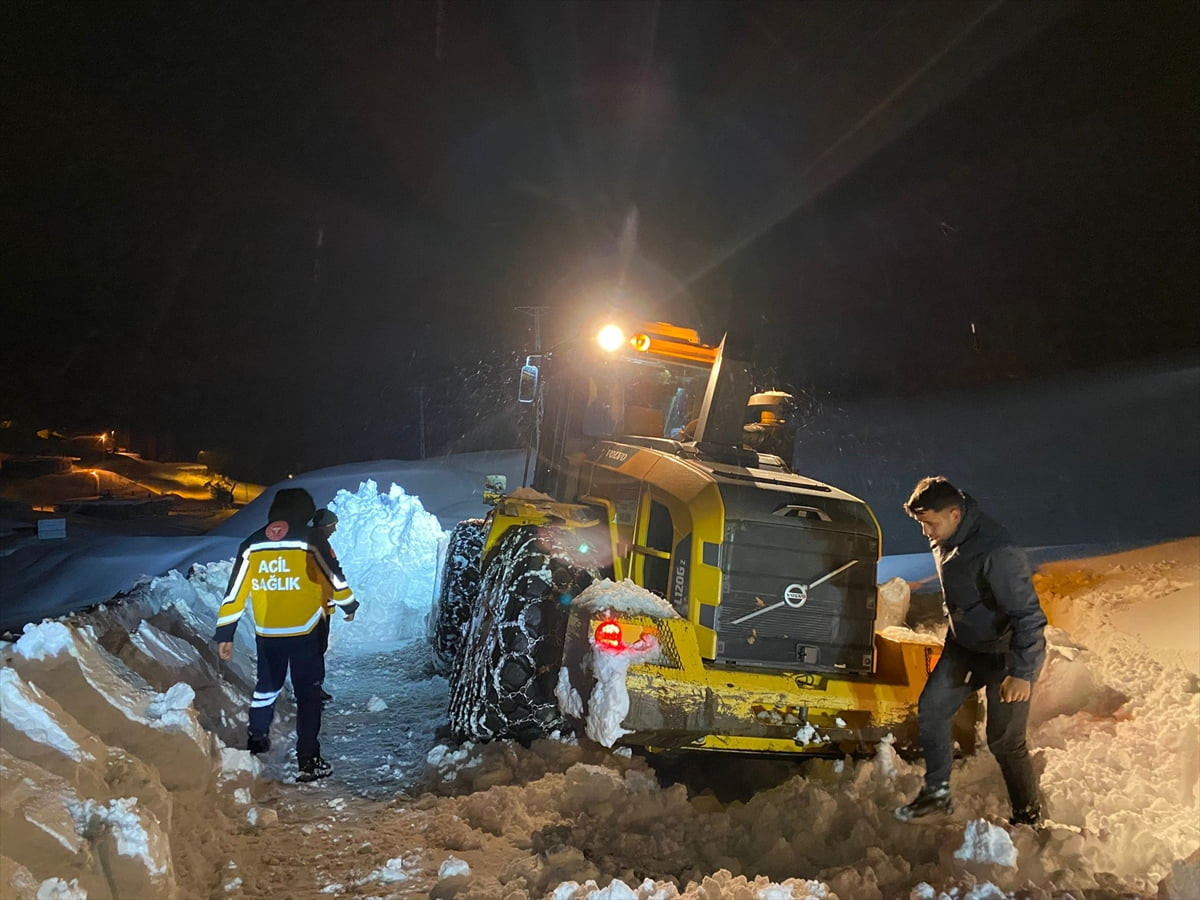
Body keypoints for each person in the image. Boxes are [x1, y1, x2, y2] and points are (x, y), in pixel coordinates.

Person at [895, 476, 1047, 826]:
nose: (925, 533)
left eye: (929, 524)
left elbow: (1029, 617)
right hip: (963, 649)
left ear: (954, 514)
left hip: (1005, 656)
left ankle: (1028, 817)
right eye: (921, 524)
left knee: (1005, 742)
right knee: (932, 710)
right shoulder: (945, 536)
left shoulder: (998, 551)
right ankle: (936, 794)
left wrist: (1022, 673)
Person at [214, 488, 358, 783]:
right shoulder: (310, 539)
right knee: (308, 694)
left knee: (266, 686)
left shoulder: (252, 544)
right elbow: (333, 577)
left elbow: (236, 592)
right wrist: (349, 603)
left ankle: (257, 737)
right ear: (305, 511)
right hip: (306, 630)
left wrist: (225, 633)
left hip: (268, 632)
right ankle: (308, 760)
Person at [310, 507, 344, 704]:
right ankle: (312, 688)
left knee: (317, 647)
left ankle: (314, 686)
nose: (335, 530)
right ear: (325, 526)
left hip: (321, 604)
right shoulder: (317, 544)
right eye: (333, 526)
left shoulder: (317, 542)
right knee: (315, 647)